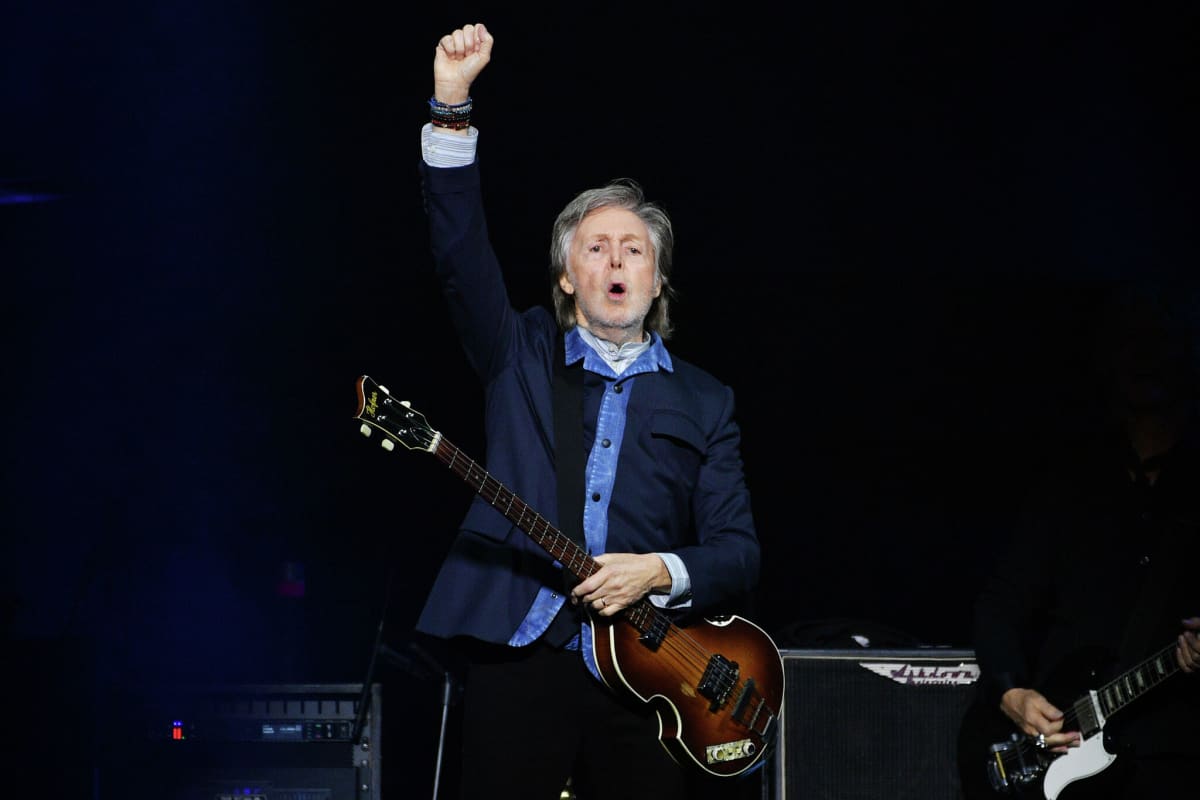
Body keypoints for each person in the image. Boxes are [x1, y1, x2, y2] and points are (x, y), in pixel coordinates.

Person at [410, 22, 763, 800]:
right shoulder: (520, 352)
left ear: (658, 281)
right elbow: (459, 249)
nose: (615, 261)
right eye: (595, 248)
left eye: (635, 250)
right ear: (567, 277)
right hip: (518, 652)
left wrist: (658, 571)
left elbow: (739, 552)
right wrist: (452, 104)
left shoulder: (706, 399)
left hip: (645, 672)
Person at [962, 282, 1200, 799]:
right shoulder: (1071, 480)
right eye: (1131, 342)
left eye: (1159, 341)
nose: (1145, 357)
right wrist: (1012, 692)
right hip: (1063, 753)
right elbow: (1001, 603)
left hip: (1178, 757)